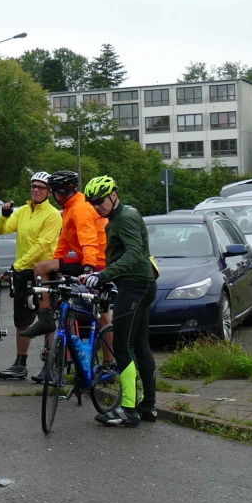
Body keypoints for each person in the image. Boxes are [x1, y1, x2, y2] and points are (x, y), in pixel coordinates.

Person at [87, 175, 157, 427]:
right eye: (93, 203)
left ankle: (128, 409)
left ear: (114, 195)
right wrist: (104, 276)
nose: (97, 207)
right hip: (140, 284)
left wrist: (105, 274)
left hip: (135, 286)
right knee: (139, 346)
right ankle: (147, 406)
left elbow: (134, 254)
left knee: (122, 347)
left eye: (100, 201)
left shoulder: (125, 218)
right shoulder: (119, 217)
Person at [0, 173, 62, 381]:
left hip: (44, 271)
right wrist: (4, 215)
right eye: (33, 186)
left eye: (41, 187)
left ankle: (50, 366)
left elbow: (43, 244)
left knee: (47, 319)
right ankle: (20, 365)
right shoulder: (23, 210)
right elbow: (2, 230)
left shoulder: (52, 215)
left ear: (49, 191)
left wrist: (17, 265)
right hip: (23, 271)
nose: (36, 190)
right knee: (22, 320)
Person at [46, 171, 105, 277]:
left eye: (54, 192)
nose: (54, 196)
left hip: (97, 261)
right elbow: (64, 239)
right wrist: (56, 260)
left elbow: (88, 238)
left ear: (61, 192)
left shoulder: (79, 208)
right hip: (89, 259)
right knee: (50, 268)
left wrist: (89, 266)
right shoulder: (70, 206)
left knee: (40, 268)